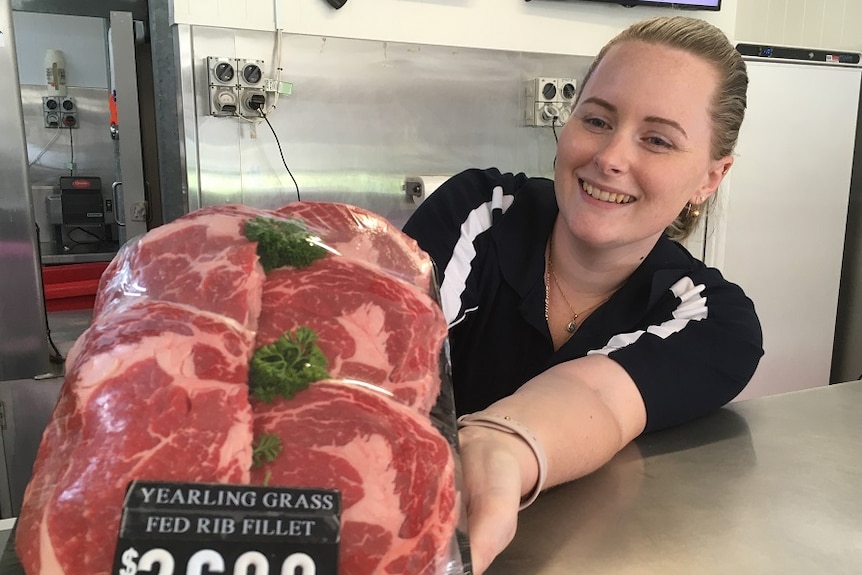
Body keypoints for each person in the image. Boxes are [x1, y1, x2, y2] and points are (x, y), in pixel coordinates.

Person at [402, 15, 764, 575]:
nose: (611, 157)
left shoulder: (709, 318)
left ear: (710, 178)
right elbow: (387, 363)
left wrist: (501, 445)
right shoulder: (480, 213)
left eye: (658, 140)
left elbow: (599, 397)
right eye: (596, 119)